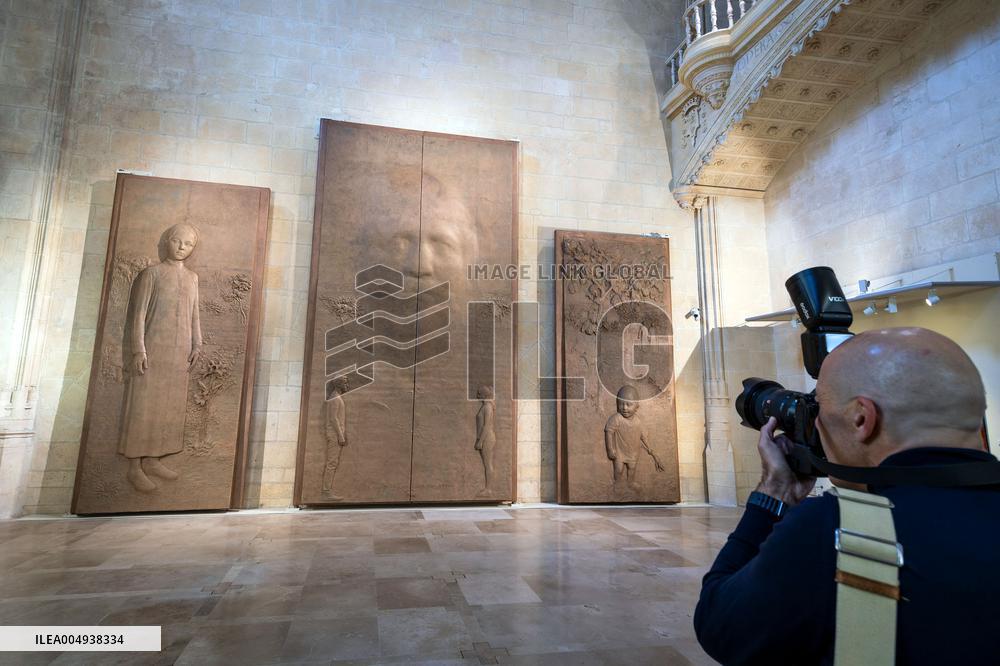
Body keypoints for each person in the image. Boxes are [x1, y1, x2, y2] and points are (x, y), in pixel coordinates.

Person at [694, 327, 1000, 665]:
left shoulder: (838, 532)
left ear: (861, 418)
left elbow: (719, 625)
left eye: (819, 406)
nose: (816, 422)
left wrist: (772, 494)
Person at [118, 223, 202, 492]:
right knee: (144, 406)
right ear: (168, 241)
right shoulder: (151, 274)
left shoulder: (192, 278)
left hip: (179, 353)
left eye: (188, 244)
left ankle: (153, 459)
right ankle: (134, 467)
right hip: (152, 350)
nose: (181, 247)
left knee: (168, 406)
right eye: (177, 241)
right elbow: (139, 315)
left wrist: (197, 343)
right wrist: (138, 349)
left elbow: (194, 314)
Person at [605, 385, 665, 488]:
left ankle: (631, 482)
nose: (624, 407)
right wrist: (610, 449)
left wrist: (651, 451)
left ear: (637, 406)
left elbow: (644, 437)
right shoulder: (616, 418)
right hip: (619, 452)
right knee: (618, 469)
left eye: (629, 404)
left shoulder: (638, 422)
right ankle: (618, 483)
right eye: (621, 404)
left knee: (632, 468)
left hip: (633, 452)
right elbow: (609, 432)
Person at [322, 375, 349, 500]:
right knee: (332, 463)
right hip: (334, 435)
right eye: (345, 383)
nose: (347, 385)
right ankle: (326, 492)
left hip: (336, 434)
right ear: (338, 384)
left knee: (333, 462)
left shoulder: (337, 397)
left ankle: (326, 491)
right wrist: (340, 436)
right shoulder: (335, 398)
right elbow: (333, 419)